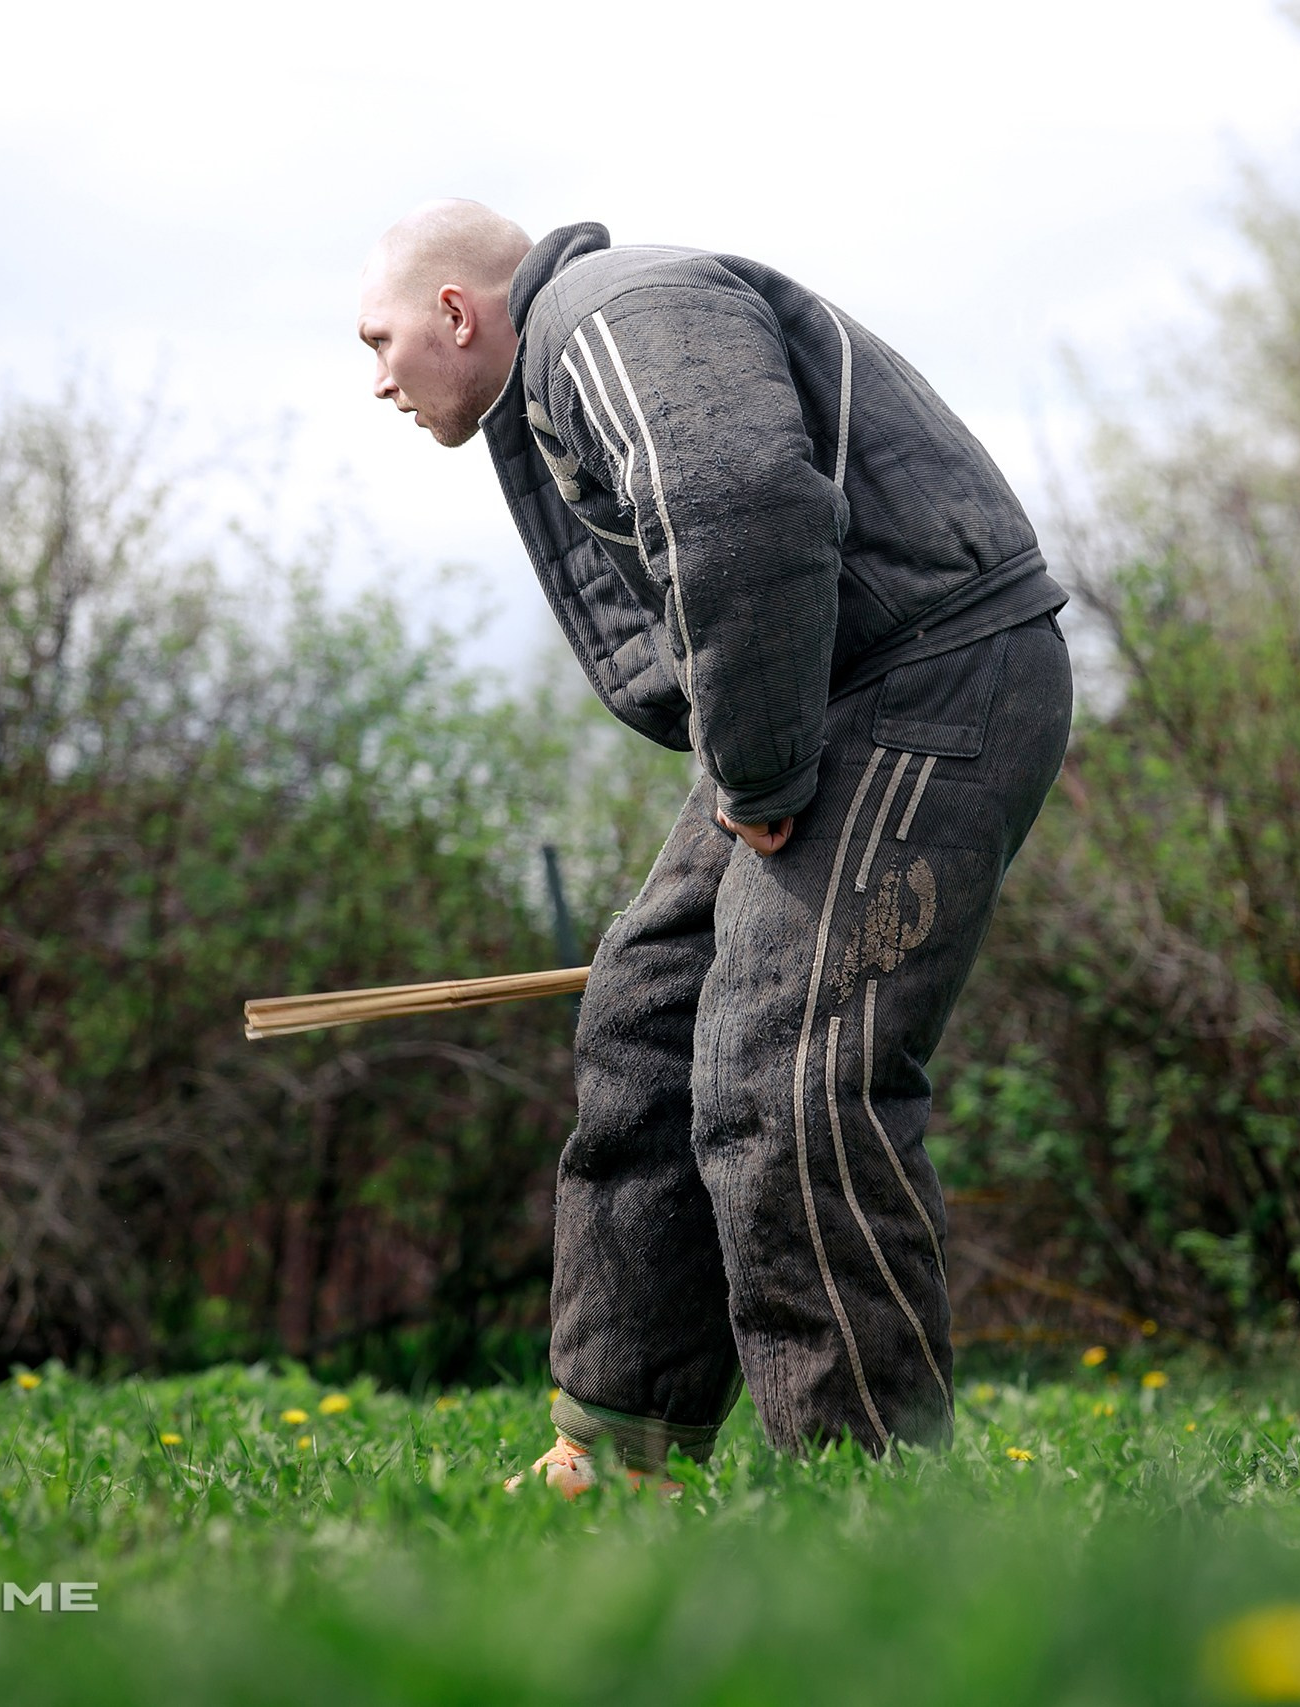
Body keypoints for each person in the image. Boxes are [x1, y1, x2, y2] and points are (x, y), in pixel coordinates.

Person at [357, 200, 1073, 1493]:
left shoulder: (608, 316)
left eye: (383, 339)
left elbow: (739, 501)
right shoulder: (567, 360)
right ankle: (621, 1449)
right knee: (647, 1014)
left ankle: (876, 1492)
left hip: (927, 674)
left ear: (458, 314)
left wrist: (756, 772)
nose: (379, 380)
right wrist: (747, 760)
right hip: (824, 692)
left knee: (787, 1067)